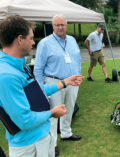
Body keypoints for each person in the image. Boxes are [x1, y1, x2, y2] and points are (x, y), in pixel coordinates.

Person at [0, 16, 83, 157]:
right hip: (28, 145)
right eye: (31, 38)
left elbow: (36, 92)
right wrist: (52, 113)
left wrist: (65, 82)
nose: (33, 42)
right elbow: (24, 120)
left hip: (42, 137)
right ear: (20, 39)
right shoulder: (6, 75)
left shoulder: (20, 64)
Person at [34, 15, 82, 156]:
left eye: (63, 25)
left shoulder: (72, 40)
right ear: (52, 26)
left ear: (66, 25)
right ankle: (53, 143)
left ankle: (66, 133)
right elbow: (38, 68)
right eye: (57, 25)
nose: (60, 27)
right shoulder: (45, 43)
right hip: (54, 82)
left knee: (69, 108)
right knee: (54, 113)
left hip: (73, 82)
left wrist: (78, 76)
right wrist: (40, 88)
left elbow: (77, 59)